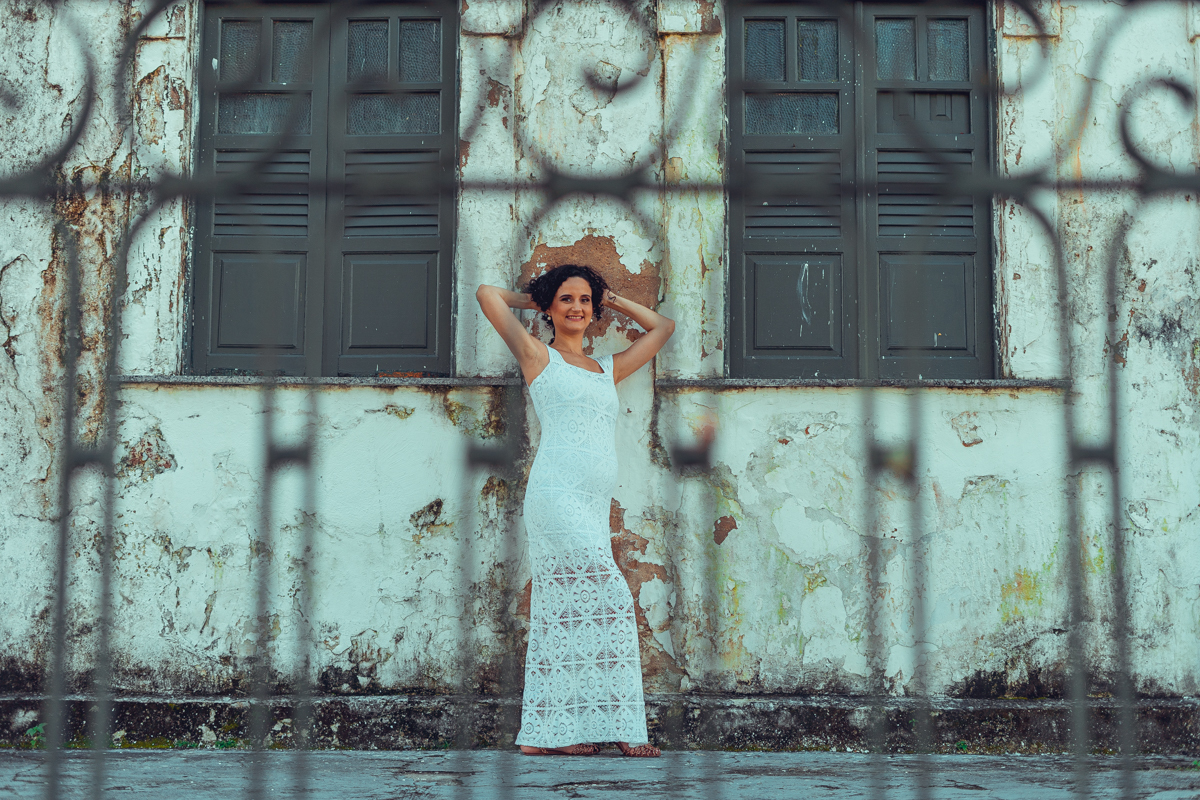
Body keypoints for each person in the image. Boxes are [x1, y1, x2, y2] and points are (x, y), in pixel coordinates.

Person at [476, 264, 674, 757]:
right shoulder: (537, 356)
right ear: (551, 309)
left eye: (585, 301)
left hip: (592, 502)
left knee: (564, 614)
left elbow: (663, 329)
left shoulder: (609, 367)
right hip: (556, 496)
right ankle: (622, 732)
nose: (578, 308)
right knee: (607, 597)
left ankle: (555, 735)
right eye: (567, 300)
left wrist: (613, 298)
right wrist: (540, 297)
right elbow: (487, 295)